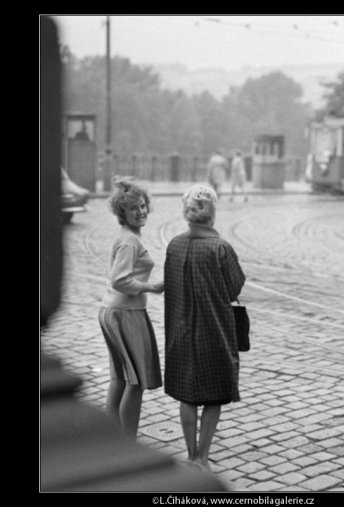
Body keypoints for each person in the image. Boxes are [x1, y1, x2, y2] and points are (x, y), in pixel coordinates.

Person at [163, 185, 246, 472]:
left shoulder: (174, 245)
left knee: (187, 394)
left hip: (181, 331)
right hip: (214, 331)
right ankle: (203, 457)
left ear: (187, 214)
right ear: (211, 213)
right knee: (214, 393)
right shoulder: (220, 247)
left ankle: (189, 454)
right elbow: (234, 286)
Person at [98, 175, 165, 441]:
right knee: (135, 382)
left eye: (142, 205)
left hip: (112, 310)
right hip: (126, 314)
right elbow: (120, 279)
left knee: (120, 379)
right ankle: (127, 444)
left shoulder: (128, 236)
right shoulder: (129, 241)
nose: (140, 212)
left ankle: (112, 440)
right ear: (121, 213)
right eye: (133, 208)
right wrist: (152, 287)